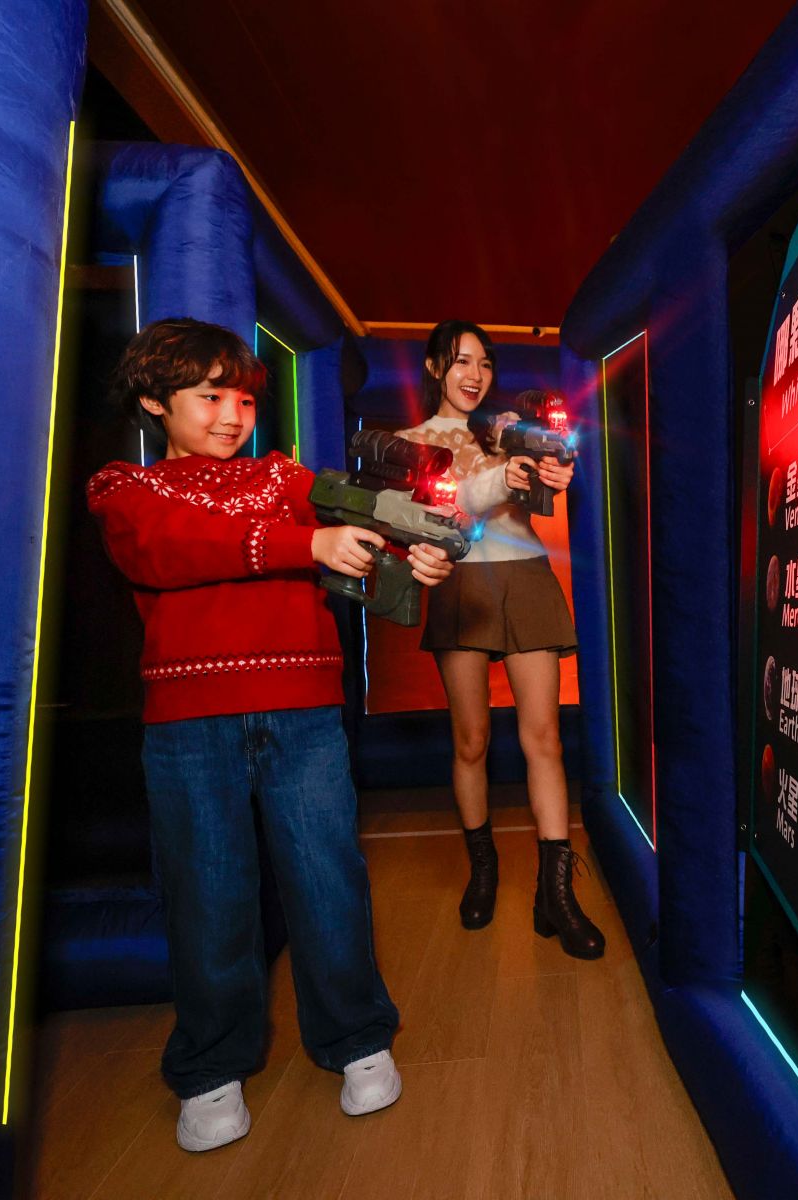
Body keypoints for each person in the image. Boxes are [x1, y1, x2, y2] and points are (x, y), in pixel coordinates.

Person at [86, 318, 455, 1152]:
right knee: (207, 892)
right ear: (154, 400)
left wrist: (411, 556)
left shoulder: (282, 476)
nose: (232, 416)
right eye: (210, 397)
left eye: (245, 401)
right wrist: (308, 541)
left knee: (327, 879)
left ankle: (357, 1040)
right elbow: (164, 549)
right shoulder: (125, 487)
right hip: (188, 723)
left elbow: (362, 531)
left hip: (304, 709)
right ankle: (212, 1065)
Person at [402, 319, 604, 959]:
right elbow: (436, 515)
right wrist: (501, 480)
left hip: (527, 578)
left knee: (545, 738)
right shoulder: (409, 443)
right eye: (461, 361)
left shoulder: (507, 429)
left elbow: (550, 478)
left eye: (484, 363)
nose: (475, 375)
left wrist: (554, 473)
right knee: (472, 740)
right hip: (461, 584)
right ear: (435, 367)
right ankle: (483, 870)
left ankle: (557, 895)